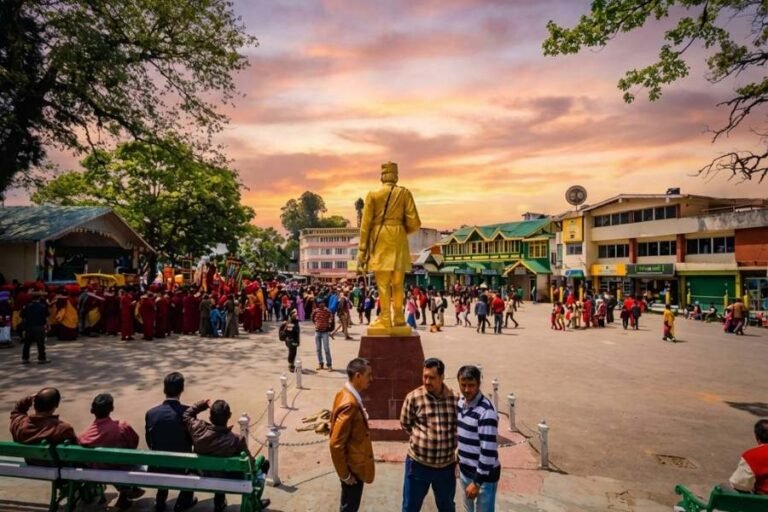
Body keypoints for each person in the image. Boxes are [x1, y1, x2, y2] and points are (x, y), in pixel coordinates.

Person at [357, 161, 422, 331]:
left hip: (380, 239)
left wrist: (362, 250)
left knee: (383, 283)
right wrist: (400, 230)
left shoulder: (373, 195)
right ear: (396, 176)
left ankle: (385, 318)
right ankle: (399, 318)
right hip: (399, 237)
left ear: (382, 176)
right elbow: (415, 222)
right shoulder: (404, 193)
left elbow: (365, 225)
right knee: (398, 283)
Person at [183, 399, 270, 512]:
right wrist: (257, 463)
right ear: (229, 416)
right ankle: (255, 501)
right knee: (263, 462)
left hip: (203, 474)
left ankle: (220, 502)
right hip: (228, 479)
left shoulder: (198, 430)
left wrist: (203, 404)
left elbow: (187, 414)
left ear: (210, 418)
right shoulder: (237, 440)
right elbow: (251, 466)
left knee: (218, 468)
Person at [400, 358, 458, 512]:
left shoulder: (454, 399)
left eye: (431, 377)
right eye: (424, 376)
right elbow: (406, 424)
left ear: (442, 377)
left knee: (447, 507)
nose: (427, 381)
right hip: (418, 465)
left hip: (445, 468)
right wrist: (422, 439)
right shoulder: (413, 398)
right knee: (410, 506)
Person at [79, 393, 144, 510]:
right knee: (137, 461)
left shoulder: (85, 437)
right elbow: (134, 444)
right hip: (123, 468)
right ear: (112, 409)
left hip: (98, 472)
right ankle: (127, 491)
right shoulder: (122, 427)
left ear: (92, 410)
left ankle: (127, 490)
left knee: (108, 463)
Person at [145, 372, 197, 512]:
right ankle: (184, 500)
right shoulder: (188, 412)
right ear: (182, 389)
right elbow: (193, 440)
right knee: (194, 463)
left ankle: (161, 497)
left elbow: (149, 441)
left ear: (164, 389)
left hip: (158, 466)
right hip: (182, 466)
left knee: (164, 453)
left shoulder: (151, 413)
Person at [329, 358, 375, 512]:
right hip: (353, 468)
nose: (371, 379)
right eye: (368, 375)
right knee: (349, 507)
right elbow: (336, 444)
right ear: (357, 376)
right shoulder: (350, 404)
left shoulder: (345, 393)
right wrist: (345, 475)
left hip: (352, 463)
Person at [456, 365, 500, 512]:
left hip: (483, 478)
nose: (467, 389)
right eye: (463, 385)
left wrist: (477, 482)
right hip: (465, 472)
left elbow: (488, 451)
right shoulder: (461, 403)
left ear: (479, 384)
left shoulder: (486, 412)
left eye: (471, 385)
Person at [10, 387, 77, 446]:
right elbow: (75, 446)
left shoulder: (18, 424)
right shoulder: (63, 429)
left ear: (35, 404)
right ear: (56, 406)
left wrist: (29, 398)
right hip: (52, 460)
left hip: (29, 460)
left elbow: (17, 411)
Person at [728, 419, 768, 494]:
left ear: (756, 436)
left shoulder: (752, 456)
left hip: (762, 503)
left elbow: (738, 484)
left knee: (724, 487)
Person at [21, 293, 50, 364]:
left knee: (27, 344)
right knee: (40, 343)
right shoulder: (43, 306)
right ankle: (42, 359)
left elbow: (22, 316)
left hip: (29, 327)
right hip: (39, 327)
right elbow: (46, 317)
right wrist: (48, 325)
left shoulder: (27, 306)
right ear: (39, 298)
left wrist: (24, 327)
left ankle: (25, 358)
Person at [311, 300, 333, 371]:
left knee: (326, 349)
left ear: (324, 304)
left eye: (322, 303)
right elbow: (312, 318)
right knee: (318, 349)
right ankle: (320, 363)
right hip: (317, 332)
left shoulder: (327, 311)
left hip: (325, 332)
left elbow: (331, 318)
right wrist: (316, 324)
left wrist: (329, 325)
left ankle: (329, 365)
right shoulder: (315, 311)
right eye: (320, 303)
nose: (321, 304)